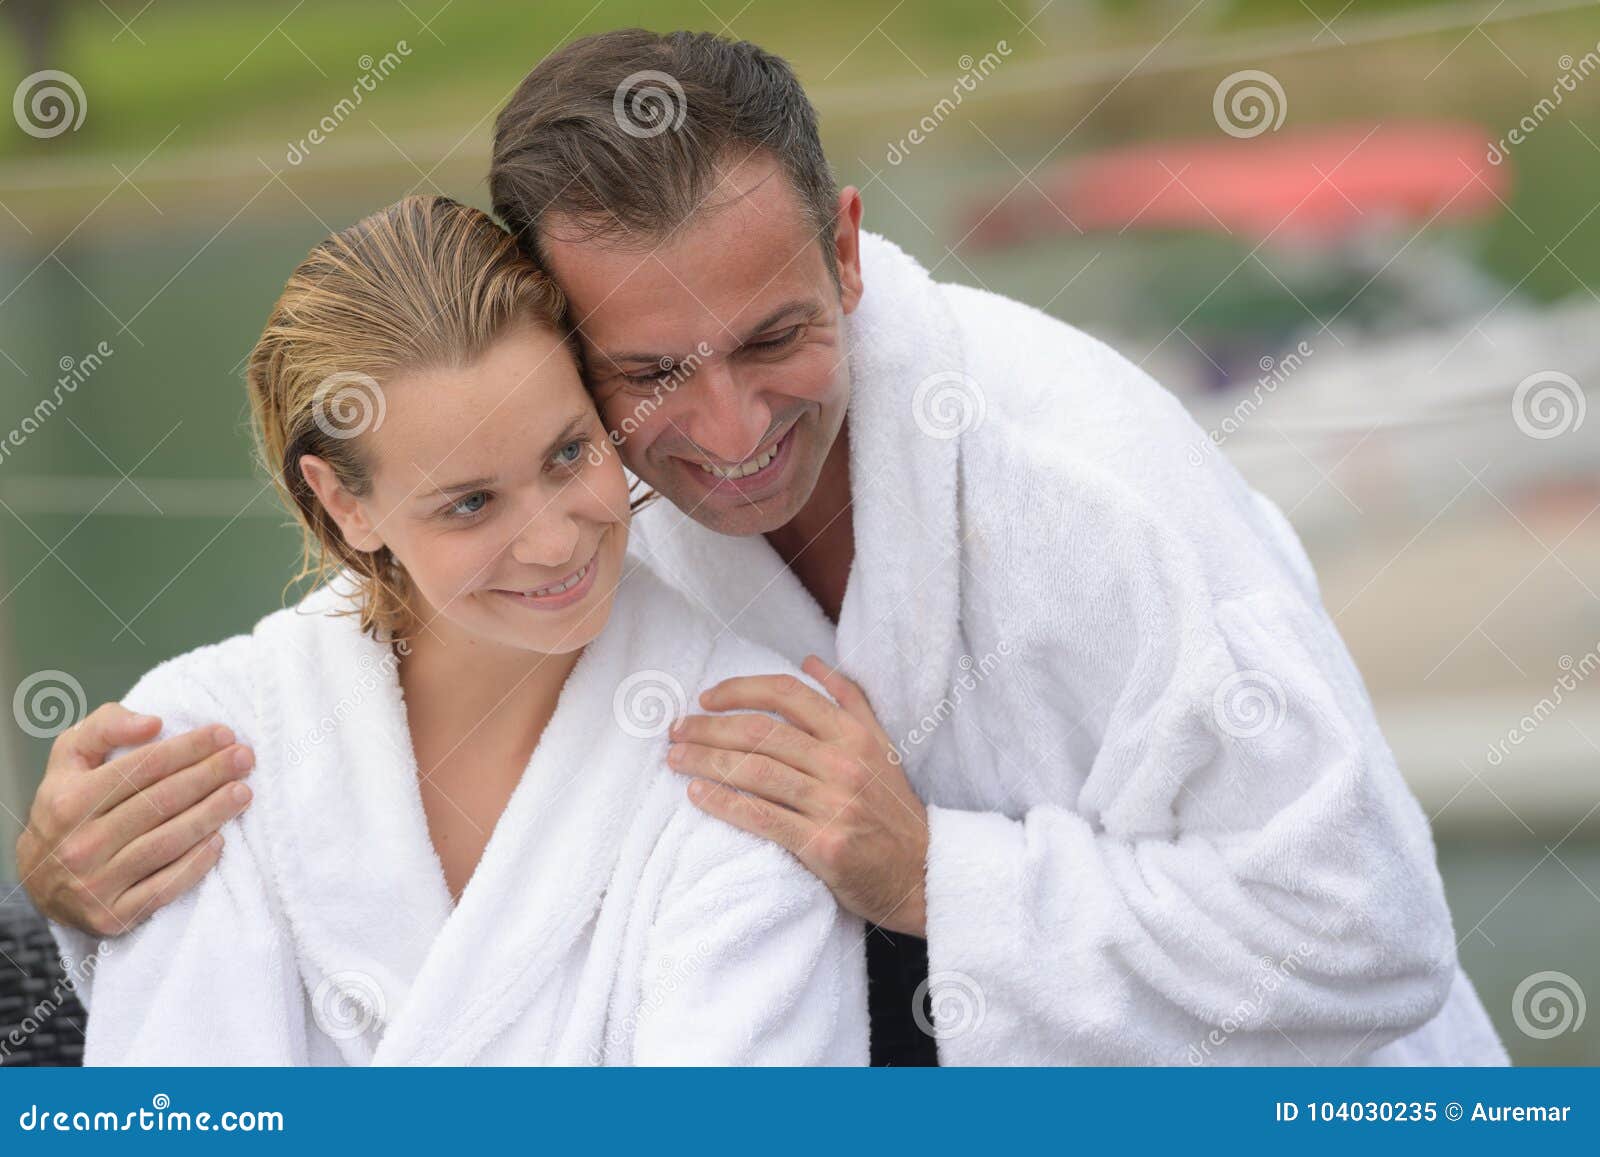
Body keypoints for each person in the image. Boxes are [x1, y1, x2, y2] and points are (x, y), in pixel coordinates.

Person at [21, 30, 1507, 1066]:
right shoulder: (574, 505)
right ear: (556, 338)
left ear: (848, 247)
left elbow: (1368, 936)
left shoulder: (1087, 491)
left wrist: (936, 875)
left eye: (778, 335)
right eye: (649, 374)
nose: (727, 434)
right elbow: (430, 542)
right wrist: (82, 876)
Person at [45, 195, 868, 1065]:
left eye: (568, 455)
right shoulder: (198, 747)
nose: (555, 541)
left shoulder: (755, 747)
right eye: (470, 503)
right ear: (345, 502)